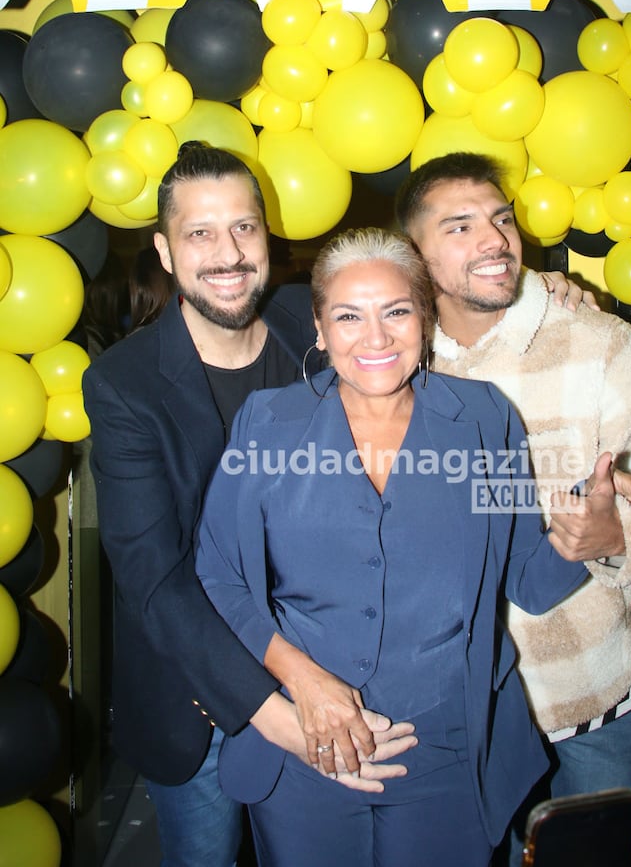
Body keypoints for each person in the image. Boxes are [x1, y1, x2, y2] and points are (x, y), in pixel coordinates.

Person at [195, 226, 594, 867]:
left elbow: (528, 577)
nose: (375, 337)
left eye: (397, 311)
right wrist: (306, 685)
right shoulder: (268, 424)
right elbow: (220, 577)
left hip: (450, 754)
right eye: (348, 316)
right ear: (320, 331)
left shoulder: (485, 421)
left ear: (425, 320)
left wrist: (580, 539)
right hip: (308, 747)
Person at [81, 144, 419, 867]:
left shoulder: (314, 320)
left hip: (338, 664)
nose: (228, 253)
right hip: (207, 696)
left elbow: (418, 308)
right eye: (200, 233)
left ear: (268, 236)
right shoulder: (124, 384)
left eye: (244, 227)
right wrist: (279, 712)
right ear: (166, 253)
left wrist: (552, 292)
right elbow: (154, 578)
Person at [394, 152, 631, 865]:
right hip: (453, 716)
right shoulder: (394, 363)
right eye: (459, 226)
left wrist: (620, 532)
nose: (493, 239)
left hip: (588, 699)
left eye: (500, 218)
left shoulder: (596, 343)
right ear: (414, 258)